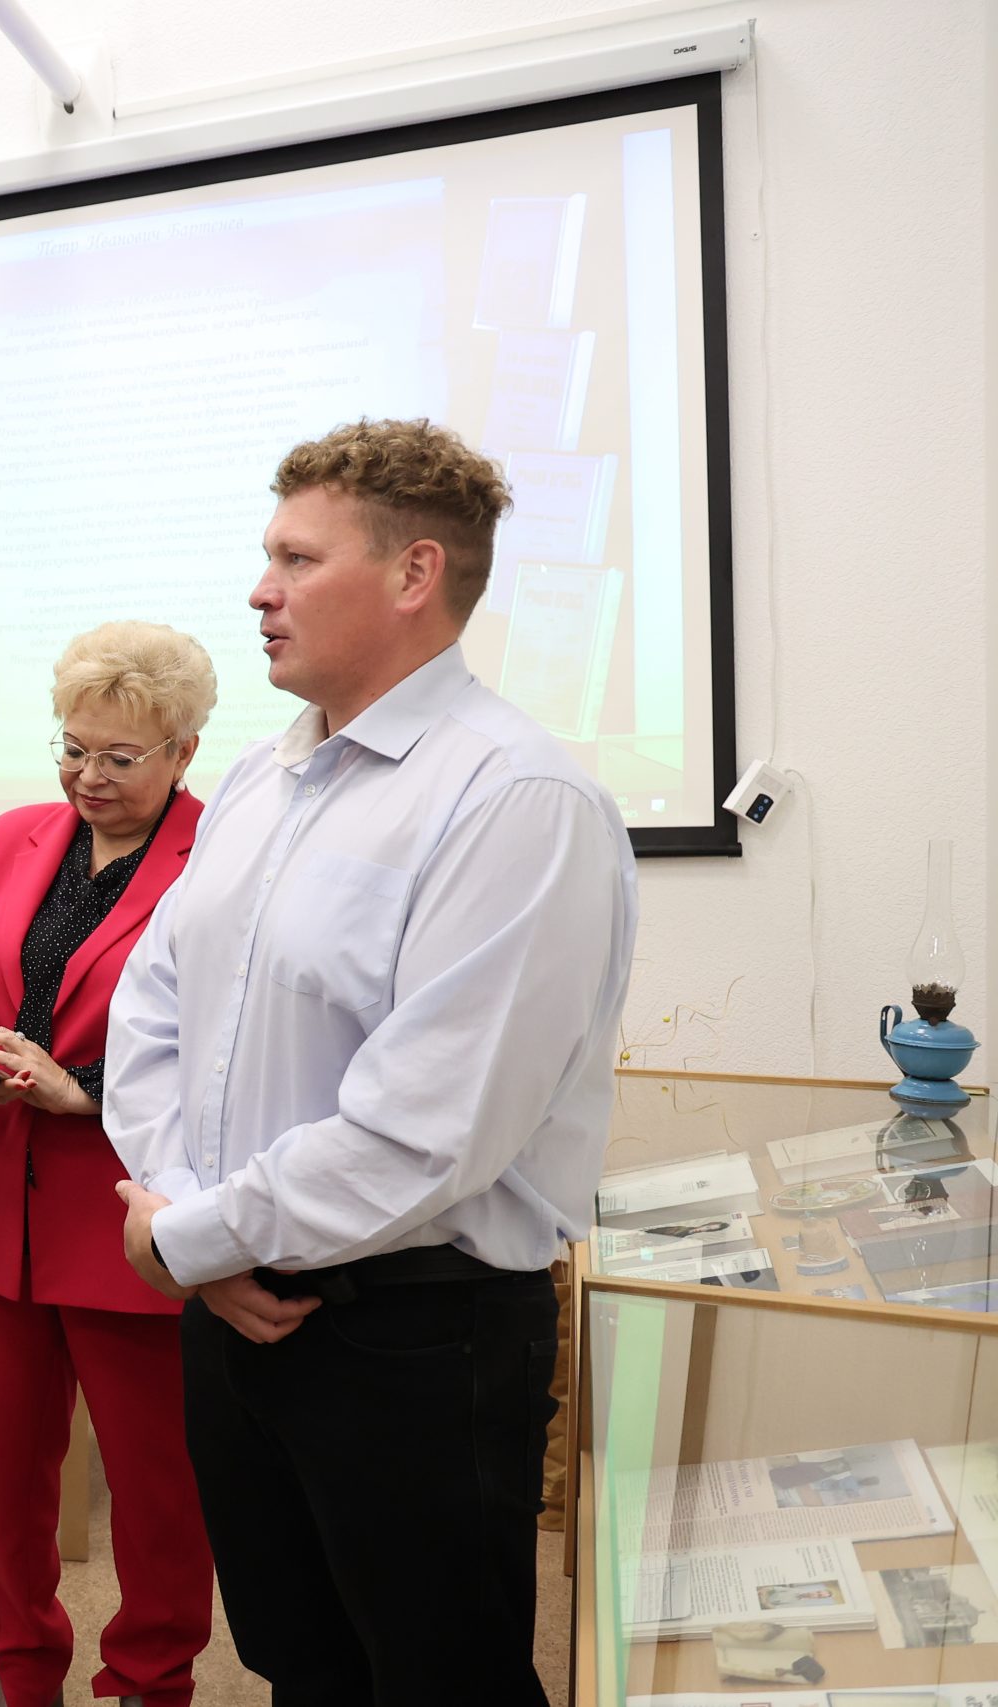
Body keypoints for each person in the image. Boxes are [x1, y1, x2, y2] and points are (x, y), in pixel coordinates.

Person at [105, 418, 638, 1706]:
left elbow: (425, 1129)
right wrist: (198, 1228)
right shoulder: (258, 778)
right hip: (233, 1307)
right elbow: (155, 1010)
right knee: (299, 1662)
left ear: (412, 574)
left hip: (412, 1337)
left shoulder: (515, 799)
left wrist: (192, 1239)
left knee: (440, 1678)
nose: (260, 591)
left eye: (296, 559)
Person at [0, 620, 219, 1707]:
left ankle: (149, 1679)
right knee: (0, 1478)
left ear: (184, 750)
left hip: (126, 1215)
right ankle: (22, 1668)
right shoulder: (12, 837)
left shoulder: (223, 857)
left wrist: (81, 1086)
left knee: (157, 1487)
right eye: (72, 748)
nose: (87, 776)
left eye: (119, 757)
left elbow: (228, 1041)